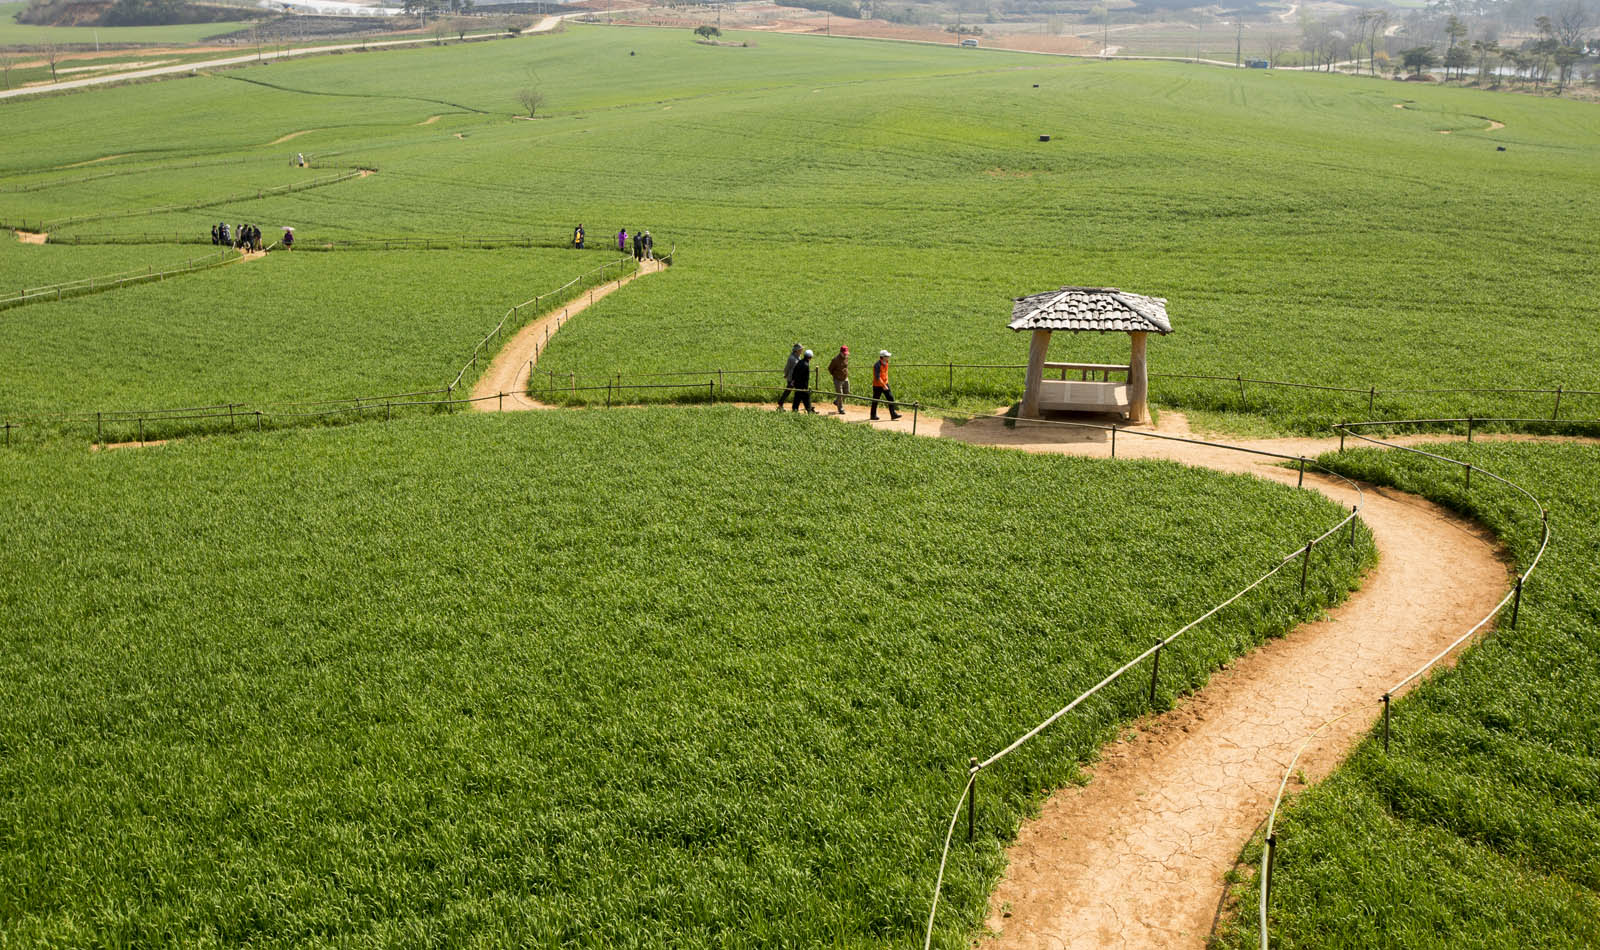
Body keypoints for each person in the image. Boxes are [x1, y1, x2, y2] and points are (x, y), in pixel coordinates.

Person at [871, 350, 902, 421]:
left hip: (885, 383)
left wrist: (886, 383)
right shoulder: (877, 365)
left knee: (890, 398)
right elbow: (877, 377)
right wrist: (883, 385)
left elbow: (885, 374)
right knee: (875, 400)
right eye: (887, 356)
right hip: (877, 385)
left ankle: (893, 414)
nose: (888, 357)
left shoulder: (886, 363)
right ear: (883, 357)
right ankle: (873, 415)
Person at [790, 349, 817, 413]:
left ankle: (795, 409)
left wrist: (793, 381)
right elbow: (805, 378)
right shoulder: (806, 365)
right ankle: (809, 411)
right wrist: (805, 387)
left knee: (798, 397)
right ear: (810, 357)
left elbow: (794, 372)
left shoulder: (800, 362)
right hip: (803, 386)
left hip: (797, 384)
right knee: (805, 398)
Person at [776, 343, 802, 410]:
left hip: (797, 378)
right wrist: (786, 374)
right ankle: (781, 404)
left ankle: (781, 403)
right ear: (796, 350)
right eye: (800, 349)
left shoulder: (798, 357)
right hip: (792, 378)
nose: (801, 351)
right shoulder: (791, 358)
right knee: (789, 391)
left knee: (798, 391)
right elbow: (787, 368)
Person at [827, 345, 850, 414]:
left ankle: (837, 401)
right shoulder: (835, 360)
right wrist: (835, 375)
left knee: (847, 392)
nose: (845, 355)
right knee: (840, 394)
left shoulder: (846, 358)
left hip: (845, 378)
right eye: (844, 353)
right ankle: (840, 409)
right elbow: (830, 369)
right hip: (837, 379)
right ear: (841, 352)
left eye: (846, 353)